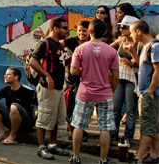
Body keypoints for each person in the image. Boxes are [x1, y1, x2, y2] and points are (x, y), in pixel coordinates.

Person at [69, 19, 119, 164]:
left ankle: (76, 157)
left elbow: (73, 71)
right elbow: (116, 76)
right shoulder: (111, 51)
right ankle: (103, 160)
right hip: (105, 93)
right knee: (105, 127)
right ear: (104, 32)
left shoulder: (80, 49)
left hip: (85, 92)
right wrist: (111, 89)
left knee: (79, 124)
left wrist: (83, 69)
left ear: (89, 31)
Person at [29, 17, 70, 160]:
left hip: (58, 87)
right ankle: (41, 146)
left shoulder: (58, 45)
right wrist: (46, 75)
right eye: (65, 28)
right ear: (55, 29)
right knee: (44, 117)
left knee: (55, 118)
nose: (67, 31)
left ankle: (53, 144)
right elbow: (33, 61)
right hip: (47, 88)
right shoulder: (45, 44)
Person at [129, 20, 159, 164]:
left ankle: (138, 158)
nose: (131, 35)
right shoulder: (146, 47)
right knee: (154, 126)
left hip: (150, 94)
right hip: (146, 93)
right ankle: (154, 154)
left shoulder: (154, 46)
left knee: (147, 126)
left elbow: (158, 71)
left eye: (132, 32)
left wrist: (150, 91)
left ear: (139, 31)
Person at [110, 15, 141, 147]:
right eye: (121, 27)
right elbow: (109, 49)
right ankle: (113, 135)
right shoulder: (121, 40)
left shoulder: (139, 43)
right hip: (120, 76)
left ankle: (128, 137)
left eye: (125, 27)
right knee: (115, 108)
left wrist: (132, 59)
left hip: (132, 79)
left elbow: (141, 62)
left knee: (130, 109)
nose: (122, 29)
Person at [0, 67, 36, 145]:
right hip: (11, 120)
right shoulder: (7, 89)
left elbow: (40, 105)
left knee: (14, 106)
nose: (4, 76)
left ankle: (12, 136)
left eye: (8, 75)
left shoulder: (28, 91)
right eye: (5, 74)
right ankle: (2, 133)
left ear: (16, 77)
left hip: (26, 124)